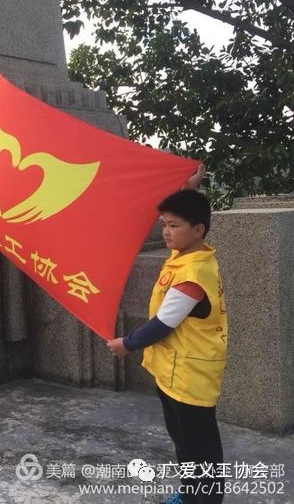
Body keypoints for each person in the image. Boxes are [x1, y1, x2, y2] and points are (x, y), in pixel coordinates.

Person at [107, 183, 227, 504]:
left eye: (174, 226)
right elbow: (186, 221)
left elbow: (163, 323)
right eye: (163, 224)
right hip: (174, 373)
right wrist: (191, 187)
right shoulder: (186, 254)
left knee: (201, 452)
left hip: (191, 376)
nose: (166, 232)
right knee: (183, 443)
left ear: (198, 230)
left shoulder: (193, 274)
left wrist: (126, 344)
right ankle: (189, 495)